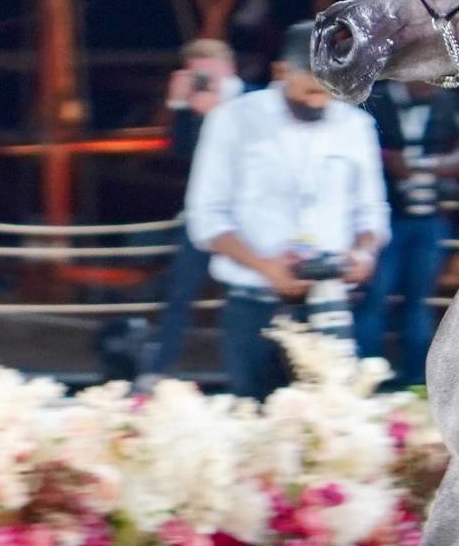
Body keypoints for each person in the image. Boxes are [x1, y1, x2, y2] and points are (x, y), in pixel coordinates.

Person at [185, 23, 386, 401]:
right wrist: (266, 266)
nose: (319, 102)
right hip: (254, 306)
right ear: (281, 73)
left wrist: (363, 253)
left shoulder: (357, 126)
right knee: (256, 423)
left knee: (333, 423)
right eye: (310, 89)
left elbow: (372, 212)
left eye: (330, 92)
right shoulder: (233, 121)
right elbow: (206, 217)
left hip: (330, 305)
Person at [356, 79, 459, 387]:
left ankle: (417, 381)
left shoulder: (446, 102)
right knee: (374, 300)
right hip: (386, 218)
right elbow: (356, 142)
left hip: (429, 218)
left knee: (419, 302)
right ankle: (366, 382)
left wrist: (439, 164)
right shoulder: (378, 98)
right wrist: (389, 160)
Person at [140, 38, 243, 384]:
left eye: (209, 72)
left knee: (247, 296)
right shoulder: (194, 106)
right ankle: (159, 370)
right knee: (179, 291)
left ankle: (249, 371)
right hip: (205, 214)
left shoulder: (254, 100)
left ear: (228, 69)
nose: (204, 80)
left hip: (249, 217)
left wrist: (218, 107)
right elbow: (179, 153)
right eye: (197, 73)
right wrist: (180, 105)